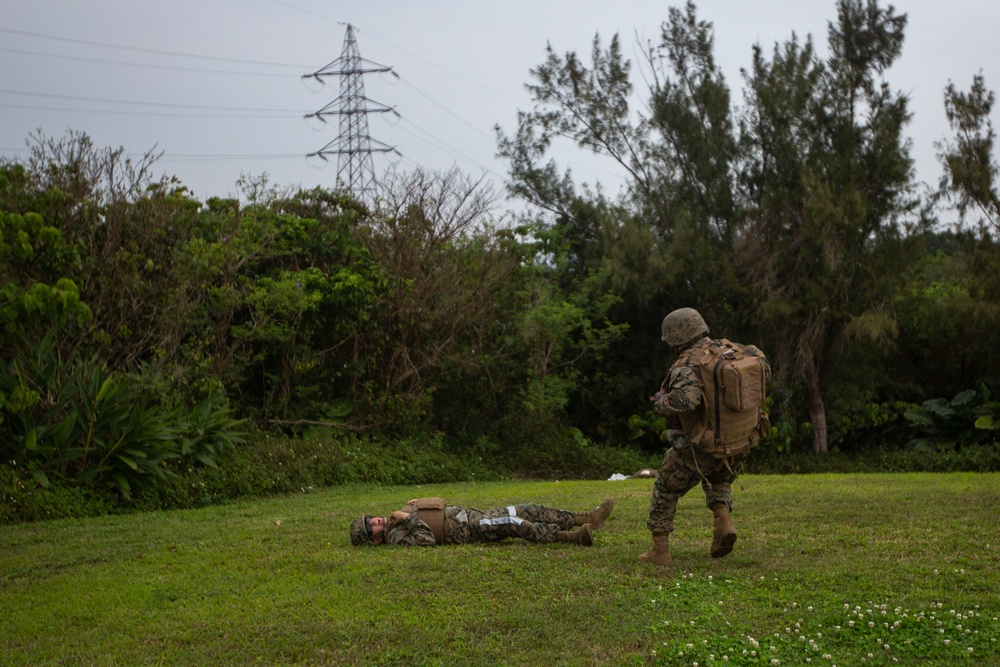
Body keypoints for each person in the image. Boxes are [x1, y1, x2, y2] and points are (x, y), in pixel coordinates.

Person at [640, 307, 770, 565]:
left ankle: (659, 550)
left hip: (700, 446)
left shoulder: (686, 365)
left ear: (674, 339)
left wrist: (660, 402)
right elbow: (763, 372)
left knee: (666, 488)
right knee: (719, 478)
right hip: (740, 441)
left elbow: (687, 400)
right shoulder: (735, 350)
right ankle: (723, 521)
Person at [350, 496, 613, 547]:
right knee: (513, 521)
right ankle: (569, 537)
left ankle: (584, 518)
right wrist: (407, 518)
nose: (374, 520)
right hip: (469, 529)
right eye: (370, 525)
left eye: (369, 518)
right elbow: (428, 538)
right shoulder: (396, 538)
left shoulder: (395, 524)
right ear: (374, 538)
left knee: (527, 508)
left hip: (474, 515)